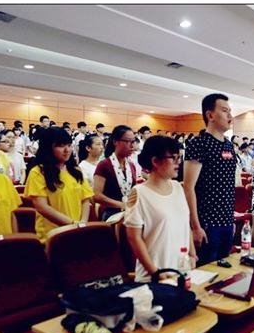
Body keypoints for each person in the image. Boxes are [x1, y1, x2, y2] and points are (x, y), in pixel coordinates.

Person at [125, 135, 197, 282]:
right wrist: (155, 272)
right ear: (155, 161)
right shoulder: (139, 193)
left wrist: (192, 254)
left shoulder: (178, 188)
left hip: (181, 272)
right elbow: (134, 238)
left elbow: (185, 225)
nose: (178, 162)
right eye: (173, 158)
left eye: (179, 158)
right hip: (154, 278)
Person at [183, 93, 236, 266]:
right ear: (210, 115)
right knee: (206, 273)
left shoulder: (229, 145)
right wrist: (195, 226)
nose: (230, 116)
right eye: (225, 111)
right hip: (207, 224)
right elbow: (188, 188)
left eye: (230, 111)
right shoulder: (199, 144)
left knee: (224, 272)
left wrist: (231, 220)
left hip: (227, 221)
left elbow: (228, 186)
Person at [25, 126, 93, 243]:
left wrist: (82, 223)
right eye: (61, 146)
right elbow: (42, 207)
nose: (67, 150)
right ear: (48, 147)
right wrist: (72, 224)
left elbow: (85, 200)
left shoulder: (76, 170)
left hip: (77, 232)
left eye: (69, 145)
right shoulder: (38, 172)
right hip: (53, 236)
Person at [93, 125, 138, 221]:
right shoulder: (104, 165)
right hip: (111, 212)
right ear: (115, 142)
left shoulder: (131, 165)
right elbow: (96, 195)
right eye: (128, 141)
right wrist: (122, 205)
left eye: (133, 141)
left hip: (129, 211)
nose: (132, 146)